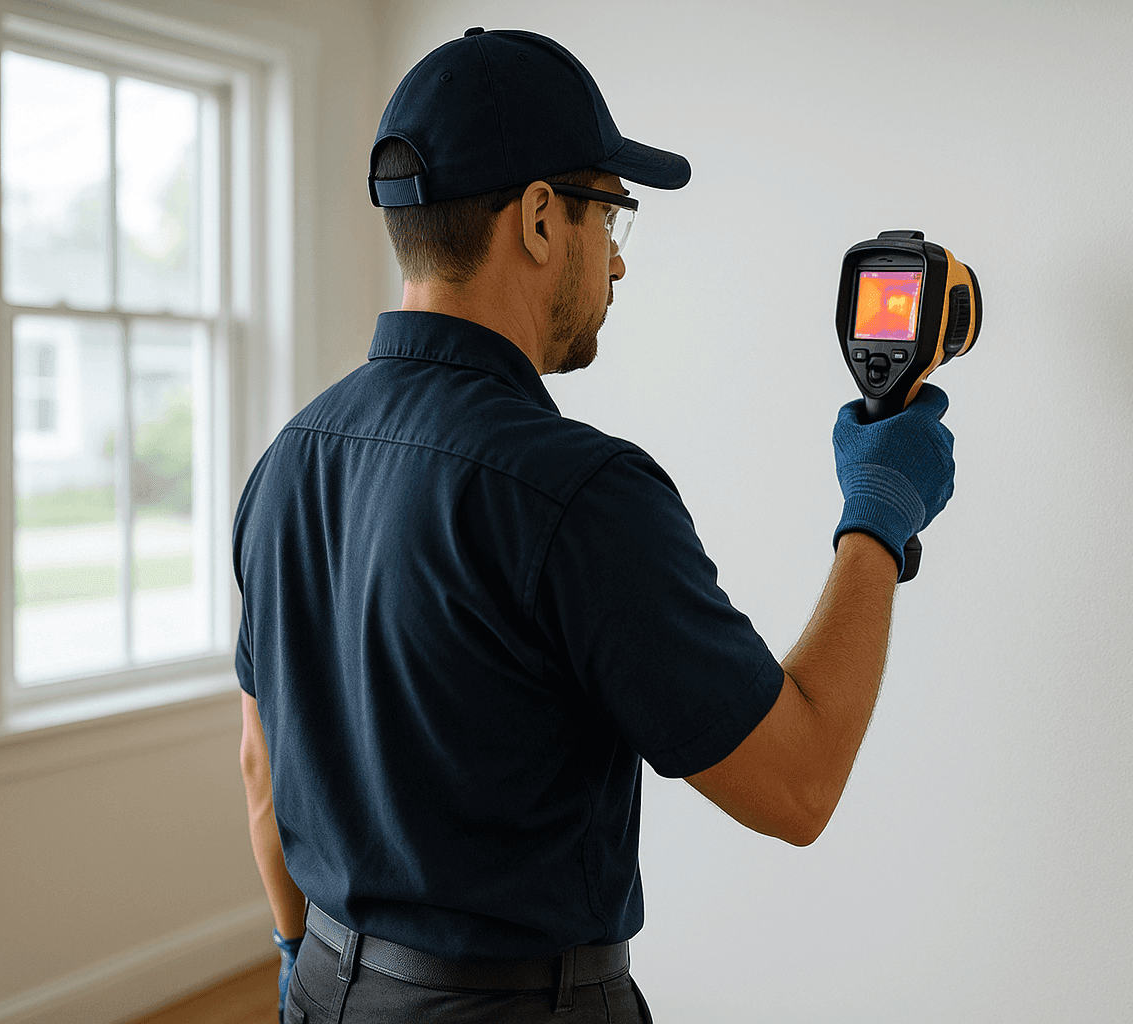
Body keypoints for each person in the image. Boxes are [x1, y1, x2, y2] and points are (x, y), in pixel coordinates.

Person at [235, 27, 958, 1024]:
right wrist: (879, 513)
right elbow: (798, 783)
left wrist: (300, 957)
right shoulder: (575, 492)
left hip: (321, 988)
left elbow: (260, 770)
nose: (617, 265)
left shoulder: (289, 458)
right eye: (610, 216)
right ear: (538, 219)